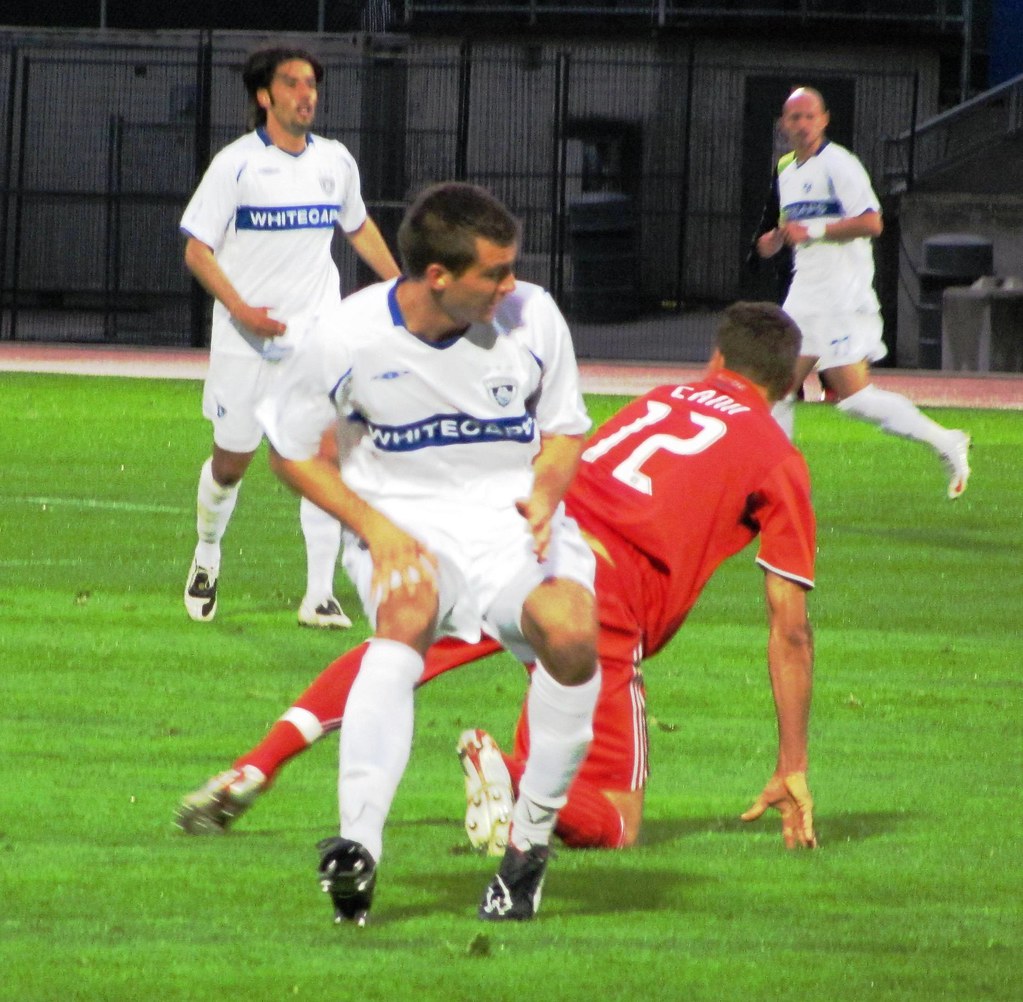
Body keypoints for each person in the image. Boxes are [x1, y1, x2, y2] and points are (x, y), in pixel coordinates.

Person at [178, 301, 818, 862]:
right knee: (616, 822)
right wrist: (792, 765)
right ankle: (507, 772)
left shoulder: (661, 398)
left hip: (524, 532)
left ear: (715, 358)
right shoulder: (776, 455)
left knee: (404, 646)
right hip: (604, 588)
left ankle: (257, 762)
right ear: (790, 381)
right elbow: (789, 625)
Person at [251, 182, 602, 924]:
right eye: (495, 273)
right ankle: (357, 848)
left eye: (512, 269)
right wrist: (375, 529)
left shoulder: (533, 316)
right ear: (436, 276)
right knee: (405, 610)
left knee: (570, 633)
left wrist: (545, 490)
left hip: (512, 520)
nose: (512, 286)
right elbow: (287, 453)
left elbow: (566, 429)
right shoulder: (345, 337)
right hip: (405, 520)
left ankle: (528, 849)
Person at [180, 46, 401, 628]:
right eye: (294, 84)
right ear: (265, 97)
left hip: (315, 340)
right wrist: (241, 310)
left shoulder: (335, 162)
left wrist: (403, 286)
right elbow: (196, 249)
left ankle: (320, 594)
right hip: (244, 342)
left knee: (322, 456)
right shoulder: (236, 165)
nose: (308, 95)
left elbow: (357, 228)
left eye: (312, 85)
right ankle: (207, 549)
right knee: (231, 464)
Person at [755, 86, 971, 499]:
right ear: (783, 124)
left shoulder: (840, 164)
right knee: (777, 388)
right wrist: (778, 240)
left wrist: (813, 230)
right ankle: (775, 486)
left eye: (808, 116)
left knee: (853, 398)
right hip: (806, 291)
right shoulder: (787, 169)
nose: (801, 124)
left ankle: (946, 441)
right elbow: (797, 226)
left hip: (840, 294)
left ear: (824, 120)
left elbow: (873, 223)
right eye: (793, 117)